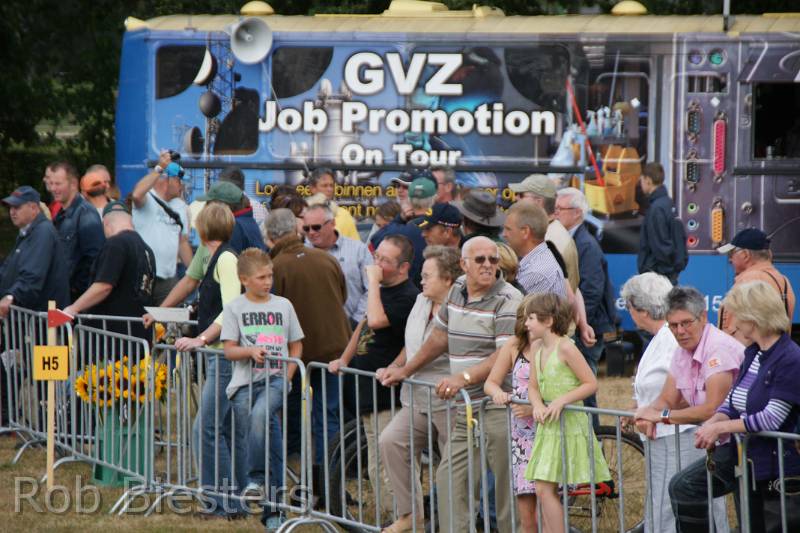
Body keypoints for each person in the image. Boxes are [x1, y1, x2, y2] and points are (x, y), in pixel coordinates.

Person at [381, 236, 523, 533]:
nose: (488, 265)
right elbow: (439, 337)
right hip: (465, 409)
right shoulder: (457, 289)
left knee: (506, 490)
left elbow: (505, 355)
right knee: (450, 481)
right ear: (464, 264)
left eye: (493, 259)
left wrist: (463, 378)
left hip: (499, 407)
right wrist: (405, 369)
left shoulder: (508, 298)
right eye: (480, 259)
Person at [671, 281, 800, 532]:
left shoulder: (789, 358)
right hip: (747, 458)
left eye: (736, 316)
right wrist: (714, 421)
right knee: (684, 487)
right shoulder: (754, 353)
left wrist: (720, 428)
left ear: (754, 318)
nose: (732, 324)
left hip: (775, 467)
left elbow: (772, 418)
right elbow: (733, 400)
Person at [633, 286, 743, 531]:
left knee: (688, 489)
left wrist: (661, 416)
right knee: (687, 490)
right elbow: (667, 398)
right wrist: (648, 415)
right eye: (673, 325)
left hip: (746, 444)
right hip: (723, 444)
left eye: (686, 323)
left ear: (703, 317)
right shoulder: (682, 350)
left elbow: (711, 409)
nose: (680, 331)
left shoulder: (718, 348)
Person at [330, 234, 420, 520]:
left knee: (390, 466)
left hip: (388, 396)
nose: (376, 264)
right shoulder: (381, 292)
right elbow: (364, 325)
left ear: (403, 267)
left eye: (385, 260)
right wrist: (344, 359)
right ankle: (391, 519)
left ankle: (405, 520)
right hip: (368, 391)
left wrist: (371, 283)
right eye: (376, 256)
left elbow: (378, 320)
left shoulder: (408, 296)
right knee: (374, 465)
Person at [620, 273, 717, 533]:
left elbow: (691, 389)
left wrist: (657, 413)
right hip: (663, 436)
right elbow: (658, 387)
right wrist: (640, 409)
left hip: (681, 436)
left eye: (629, 307)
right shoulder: (660, 338)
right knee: (662, 502)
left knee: (673, 506)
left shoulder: (674, 338)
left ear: (642, 309)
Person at [376, 245, 462, 533]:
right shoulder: (421, 301)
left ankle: (454, 524)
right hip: (417, 397)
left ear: (448, 279)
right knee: (391, 440)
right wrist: (394, 365)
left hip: (449, 399)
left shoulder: (459, 307)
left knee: (452, 468)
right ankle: (410, 514)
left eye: (427, 275)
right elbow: (412, 344)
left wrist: (403, 372)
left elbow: (435, 347)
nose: (420, 280)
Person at [266, 208, 351, 496]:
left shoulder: (275, 267)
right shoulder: (326, 259)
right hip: (334, 349)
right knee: (328, 416)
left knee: (294, 414)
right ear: (296, 230)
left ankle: (303, 474)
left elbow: (274, 314)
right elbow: (343, 296)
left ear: (270, 235)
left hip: (296, 355)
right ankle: (330, 480)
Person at [222, 248, 303, 531]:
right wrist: (250, 351)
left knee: (260, 416)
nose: (268, 281)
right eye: (261, 277)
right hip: (244, 384)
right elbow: (229, 350)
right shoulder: (234, 308)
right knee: (272, 447)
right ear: (244, 279)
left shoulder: (284, 305)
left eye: (270, 276)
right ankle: (273, 512)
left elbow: (296, 345)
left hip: (276, 380)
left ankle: (256, 480)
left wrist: (288, 377)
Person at [523, 293, 611, 533]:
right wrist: (537, 405)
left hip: (569, 423)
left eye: (531, 318)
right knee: (543, 488)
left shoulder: (566, 348)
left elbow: (590, 383)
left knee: (545, 489)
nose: (526, 323)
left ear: (548, 320)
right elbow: (533, 386)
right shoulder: (536, 347)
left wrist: (562, 401)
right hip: (548, 425)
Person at [178, 203, 244, 518]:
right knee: (223, 430)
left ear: (203, 229)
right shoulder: (220, 258)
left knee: (205, 429)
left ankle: (221, 502)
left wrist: (201, 338)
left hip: (224, 356)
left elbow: (232, 309)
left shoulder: (227, 259)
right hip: (220, 355)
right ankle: (232, 501)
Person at [556, 188, 616, 424]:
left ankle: (594, 437)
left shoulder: (586, 245)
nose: (556, 213)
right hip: (580, 325)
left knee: (584, 389)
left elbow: (591, 290)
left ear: (578, 213)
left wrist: (577, 324)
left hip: (586, 329)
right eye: (555, 208)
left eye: (561, 209)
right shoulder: (570, 240)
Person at [485, 295, 541, 533]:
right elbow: (491, 383)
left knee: (548, 507)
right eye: (527, 318)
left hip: (547, 429)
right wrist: (499, 393)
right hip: (521, 436)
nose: (528, 323)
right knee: (526, 513)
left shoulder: (557, 346)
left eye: (534, 318)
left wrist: (534, 407)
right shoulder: (513, 345)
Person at [63, 201, 155, 341]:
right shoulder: (147, 249)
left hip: (112, 337)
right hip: (138, 335)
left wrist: (73, 308)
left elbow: (104, 286)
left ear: (106, 224)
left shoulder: (116, 244)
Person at [131, 151, 193, 304]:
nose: (182, 186)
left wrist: (194, 273)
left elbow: (182, 242)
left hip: (168, 280)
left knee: (168, 318)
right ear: (168, 180)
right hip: (142, 276)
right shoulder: (148, 198)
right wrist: (159, 168)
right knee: (140, 317)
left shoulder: (180, 206)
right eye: (179, 181)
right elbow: (136, 194)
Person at [717, 228, 795, 343]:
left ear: (745, 255)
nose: (730, 259)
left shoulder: (748, 282)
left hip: (745, 353)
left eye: (731, 253)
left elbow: (737, 331)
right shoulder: (783, 280)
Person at [0, 186, 69, 316]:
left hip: (44, 318)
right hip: (34, 317)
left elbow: (33, 274)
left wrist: (11, 296)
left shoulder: (43, 232)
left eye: (17, 207)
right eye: (10, 207)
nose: (12, 212)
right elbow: (7, 269)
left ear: (33, 208)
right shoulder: (26, 233)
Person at [304, 203, 372, 327]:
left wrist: (356, 321)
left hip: (354, 327)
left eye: (316, 227)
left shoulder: (358, 250)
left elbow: (371, 288)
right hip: (314, 329)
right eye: (306, 228)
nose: (311, 232)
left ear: (332, 223)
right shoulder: (301, 254)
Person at [509, 173, 580, 293]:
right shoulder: (551, 232)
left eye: (521, 195)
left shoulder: (550, 238)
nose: (516, 198)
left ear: (538, 202)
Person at [49, 160, 105, 301]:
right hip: (60, 294)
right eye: (51, 183)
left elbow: (95, 258)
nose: (53, 188)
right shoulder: (60, 215)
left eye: (58, 184)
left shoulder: (86, 214)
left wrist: (75, 289)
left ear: (73, 184)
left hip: (75, 298)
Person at [370, 177, 435, 287]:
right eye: (397, 186)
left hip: (406, 290)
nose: (400, 190)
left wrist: (399, 219)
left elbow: (376, 239)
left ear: (410, 200)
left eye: (405, 187)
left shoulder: (404, 229)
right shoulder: (440, 224)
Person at [638, 162, 687, 284]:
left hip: (658, 277)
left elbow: (660, 246)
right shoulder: (668, 204)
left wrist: (662, 272)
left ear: (648, 180)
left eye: (641, 180)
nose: (640, 184)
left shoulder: (656, 209)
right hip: (668, 275)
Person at [307, 168, 360, 241]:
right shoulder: (303, 214)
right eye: (324, 185)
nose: (330, 189)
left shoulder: (344, 214)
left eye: (331, 185)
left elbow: (356, 244)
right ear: (313, 188)